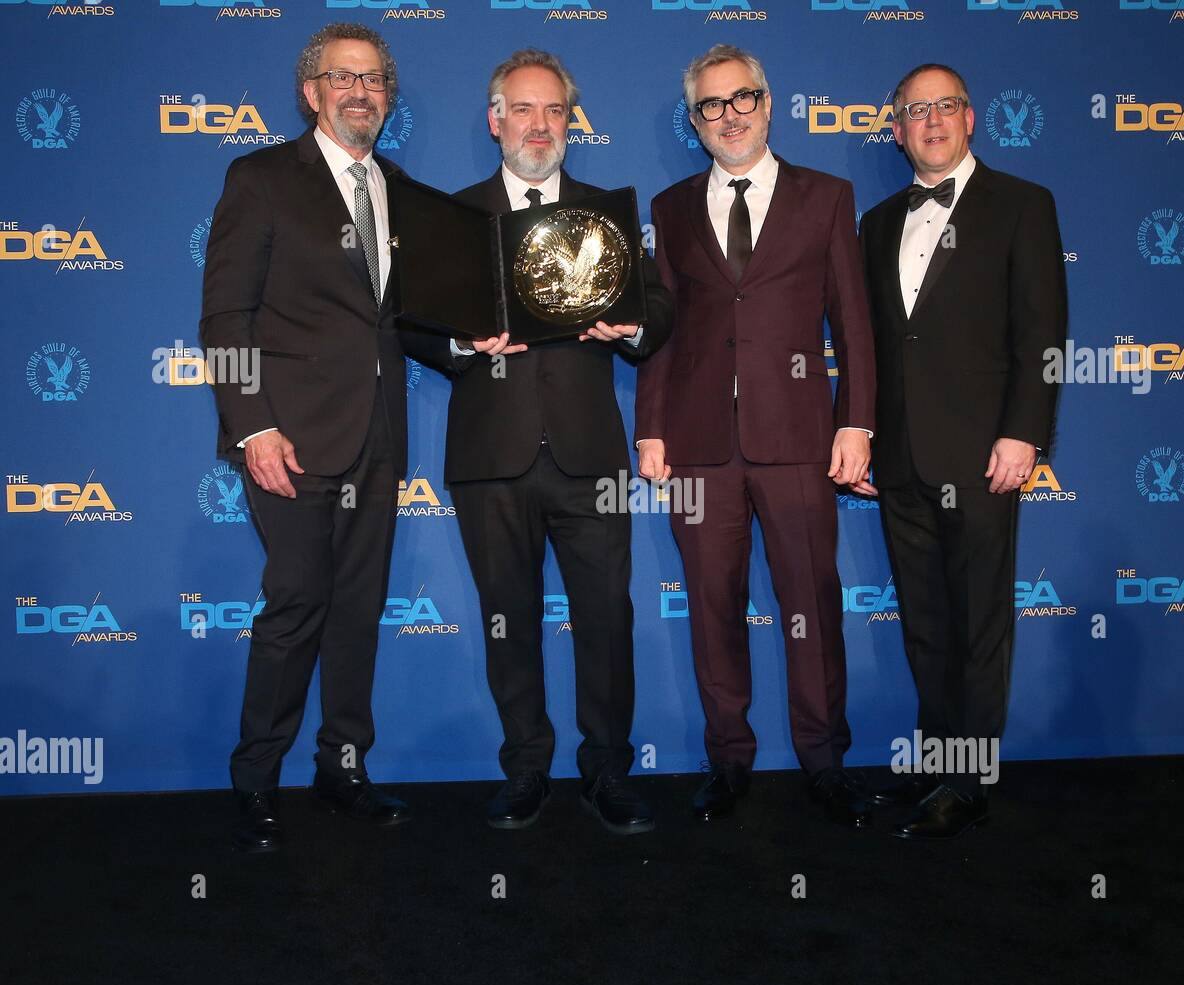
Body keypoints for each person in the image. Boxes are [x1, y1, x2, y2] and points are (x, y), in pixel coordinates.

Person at [409, 50, 673, 835]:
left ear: (571, 123)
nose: (539, 124)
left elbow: (658, 310)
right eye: (522, 109)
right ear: (495, 120)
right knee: (507, 619)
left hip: (590, 455)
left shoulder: (607, 214)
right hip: (491, 458)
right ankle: (526, 765)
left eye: (554, 111)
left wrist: (632, 326)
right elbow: (416, 324)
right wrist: (463, 346)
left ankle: (608, 769)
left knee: (606, 618)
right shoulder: (454, 216)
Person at [635, 45, 877, 827]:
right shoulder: (669, 209)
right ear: (695, 120)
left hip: (802, 438)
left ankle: (824, 759)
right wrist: (650, 429)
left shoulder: (827, 197)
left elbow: (856, 324)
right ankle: (728, 758)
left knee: (812, 601)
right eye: (711, 104)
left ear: (770, 105)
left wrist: (857, 421)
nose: (729, 114)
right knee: (712, 606)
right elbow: (660, 331)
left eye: (743, 98)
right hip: (699, 445)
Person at [201, 23, 421, 852]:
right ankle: (256, 777)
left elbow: (404, 320)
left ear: (388, 97)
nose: (361, 91)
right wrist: (251, 422)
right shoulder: (260, 179)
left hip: (380, 439)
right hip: (287, 437)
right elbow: (227, 313)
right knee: (297, 603)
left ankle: (343, 767)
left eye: (375, 80)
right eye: (344, 77)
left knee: (357, 611)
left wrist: (473, 343)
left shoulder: (400, 186)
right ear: (312, 91)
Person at [858, 63, 1067, 839]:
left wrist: (1025, 433)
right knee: (924, 620)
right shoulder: (877, 223)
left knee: (979, 622)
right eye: (916, 110)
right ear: (896, 128)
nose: (933, 121)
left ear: (971, 118)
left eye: (946, 106)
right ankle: (937, 759)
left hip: (986, 454)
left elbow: (1042, 333)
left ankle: (970, 779)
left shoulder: (1022, 205)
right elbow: (874, 346)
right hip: (904, 459)